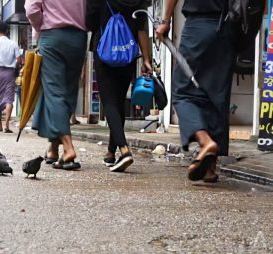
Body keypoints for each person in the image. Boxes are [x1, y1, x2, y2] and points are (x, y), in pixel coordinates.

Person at [156, 0, 236, 182]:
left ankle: (205, 142)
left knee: (182, 91)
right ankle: (209, 168)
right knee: (217, 94)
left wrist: (166, 21)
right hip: (229, 28)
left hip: (198, 26)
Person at [86, 0, 152, 172]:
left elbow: (90, 21)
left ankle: (124, 150)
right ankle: (110, 152)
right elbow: (142, 27)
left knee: (109, 102)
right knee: (119, 100)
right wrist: (146, 58)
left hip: (105, 50)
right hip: (128, 52)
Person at [25, 0, 88, 170]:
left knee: (54, 92)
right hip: (79, 37)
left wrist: (40, 26)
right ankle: (53, 148)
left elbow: (31, 9)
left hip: (53, 36)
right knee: (68, 92)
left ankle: (68, 148)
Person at [0, 21, 22, 133]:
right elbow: (19, 60)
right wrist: (15, 66)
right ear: (7, 30)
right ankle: (6, 125)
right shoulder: (13, 44)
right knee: (9, 98)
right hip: (9, 73)